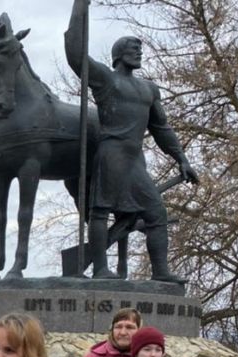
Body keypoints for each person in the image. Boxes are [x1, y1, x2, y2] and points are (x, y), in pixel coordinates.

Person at [65, 0, 198, 283]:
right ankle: (100, 269)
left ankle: (160, 271)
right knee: (100, 211)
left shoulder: (149, 89)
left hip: (135, 159)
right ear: (118, 55)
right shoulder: (106, 80)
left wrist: (181, 159)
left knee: (156, 212)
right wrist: (79, 7)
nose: (139, 52)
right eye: (132, 48)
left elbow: (161, 128)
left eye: (139, 49)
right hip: (111, 153)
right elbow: (77, 57)